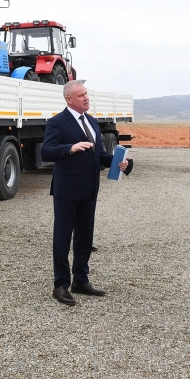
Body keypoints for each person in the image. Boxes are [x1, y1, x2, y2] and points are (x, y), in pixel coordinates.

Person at [41, 81, 129, 306]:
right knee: (62, 239)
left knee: (85, 237)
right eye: (81, 96)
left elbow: (98, 154)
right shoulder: (57, 122)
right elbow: (47, 152)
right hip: (66, 191)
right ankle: (60, 284)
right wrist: (70, 148)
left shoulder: (91, 121)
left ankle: (81, 279)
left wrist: (119, 163)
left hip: (89, 190)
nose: (86, 98)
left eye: (86, 94)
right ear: (69, 99)